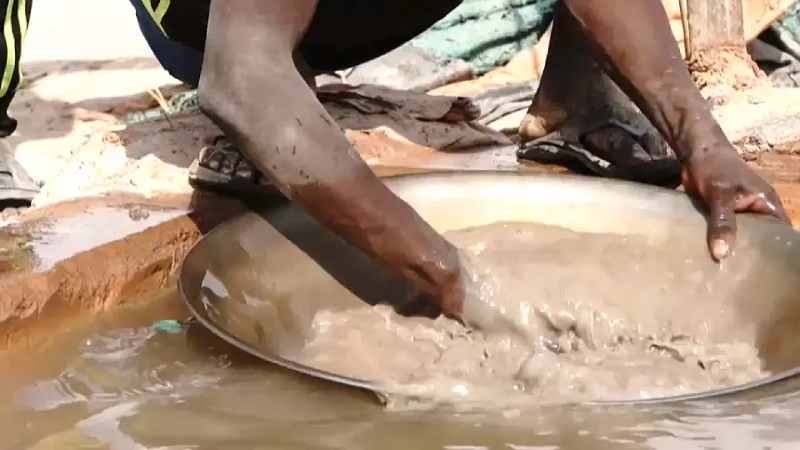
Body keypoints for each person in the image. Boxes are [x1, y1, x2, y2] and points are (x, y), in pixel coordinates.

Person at [0, 0, 788, 318]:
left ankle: (580, 106)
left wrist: (705, 145)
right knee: (265, 84)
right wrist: (444, 271)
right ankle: (293, 92)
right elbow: (238, 83)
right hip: (204, 22)